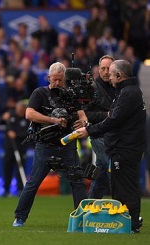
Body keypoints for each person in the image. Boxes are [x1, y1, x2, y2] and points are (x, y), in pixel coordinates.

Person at [13, 62, 88, 227]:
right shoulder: (40, 93)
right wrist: (53, 120)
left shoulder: (70, 95)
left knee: (78, 181)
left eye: (60, 80)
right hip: (45, 146)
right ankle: (19, 217)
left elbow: (83, 115)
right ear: (48, 78)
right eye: (54, 80)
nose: (57, 83)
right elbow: (29, 113)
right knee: (33, 183)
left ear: (65, 79)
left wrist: (83, 122)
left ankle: (82, 218)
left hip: (67, 145)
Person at [76, 60, 146, 233]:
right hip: (126, 147)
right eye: (104, 70)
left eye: (111, 72)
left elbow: (114, 120)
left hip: (124, 148)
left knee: (123, 187)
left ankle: (128, 222)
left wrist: (89, 130)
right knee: (118, 183)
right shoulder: (128, 91)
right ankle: (129, 221)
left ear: (119, 75)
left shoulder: (127, 93)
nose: (108, 75)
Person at [84, 55, 115, 198]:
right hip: (99, 135)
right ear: (99, 69)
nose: (106, 71)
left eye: (109, 68)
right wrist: (107, 115)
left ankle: (89, 208)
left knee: (101, 175)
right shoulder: (92, 88)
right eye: (103, 68)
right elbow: (85, 114)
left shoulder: (118, 86)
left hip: (113, 135)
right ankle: (124, 206)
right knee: (114, 168)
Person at [1, 100, 28, 197]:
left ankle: (20, 189)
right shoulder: (10, 115)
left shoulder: (26, 119)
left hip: (20, 148)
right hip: (9, 148)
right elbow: (1, 122)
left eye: (22, 110)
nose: (20, 112)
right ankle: (6, 190)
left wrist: (16, 135)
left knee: (20, 169)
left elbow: (27, 133)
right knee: (7, 169)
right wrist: (3, 118)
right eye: (19, 110)